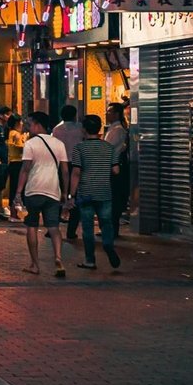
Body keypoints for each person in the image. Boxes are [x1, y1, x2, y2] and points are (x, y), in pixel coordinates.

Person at [14, 112, 68, 277]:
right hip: (53, 190)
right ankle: (58, 258)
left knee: (32, 226)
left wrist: (18, 192)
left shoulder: (30, 144)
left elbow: (25, 169)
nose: (27, 128)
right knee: (53, 227)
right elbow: (65, 171)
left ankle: (35, 265)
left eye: (29, 124)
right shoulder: (59, 144)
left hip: (34, 190)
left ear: (37, 125)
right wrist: (65, 193)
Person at [69, 114, 122, 271]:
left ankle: (90, 260)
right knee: (106, 223)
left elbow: (76, 173)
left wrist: (72, 195)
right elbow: (116, 170)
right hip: (104, 191)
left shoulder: (79, 148)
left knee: (87, 227)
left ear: (84, 129)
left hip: (85, 192)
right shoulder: (109, 147)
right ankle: (108, 245)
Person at [51, 104, 84, 244]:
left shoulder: (56, 129)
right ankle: (71, 231)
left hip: (61, 164)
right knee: (74, 196)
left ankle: (52, 228)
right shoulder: (80, 128)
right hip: (77, 165)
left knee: (58, 195)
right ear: (74, 115)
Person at [104, 102, 135, 231]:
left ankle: (112, 228)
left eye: (109, 112)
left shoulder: (117, 130)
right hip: (113, 167)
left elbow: (107, 148)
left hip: (115, 168)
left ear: (117, 114)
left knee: (114, 198)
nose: (106, 114)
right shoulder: (114, 128)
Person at [4, 114, 26, 219]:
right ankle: (13, 213)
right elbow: (19, 147)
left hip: (13, 162)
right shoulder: (16, 134)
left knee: (14, 187)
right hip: (17, 162)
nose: (22, 124)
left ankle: (14, 212)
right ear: (17, 123)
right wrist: (25, 140)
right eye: (20, 121)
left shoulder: (11, 133)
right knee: (16, 187)